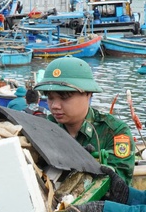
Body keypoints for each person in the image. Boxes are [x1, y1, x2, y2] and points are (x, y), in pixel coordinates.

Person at [34, 56, 135, 184]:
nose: (55, 105)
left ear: (88, 94)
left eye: (64, 97)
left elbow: (120, 183)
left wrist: (88, 166)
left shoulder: (114, 131)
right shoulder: (45, 128)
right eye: (50, 98)